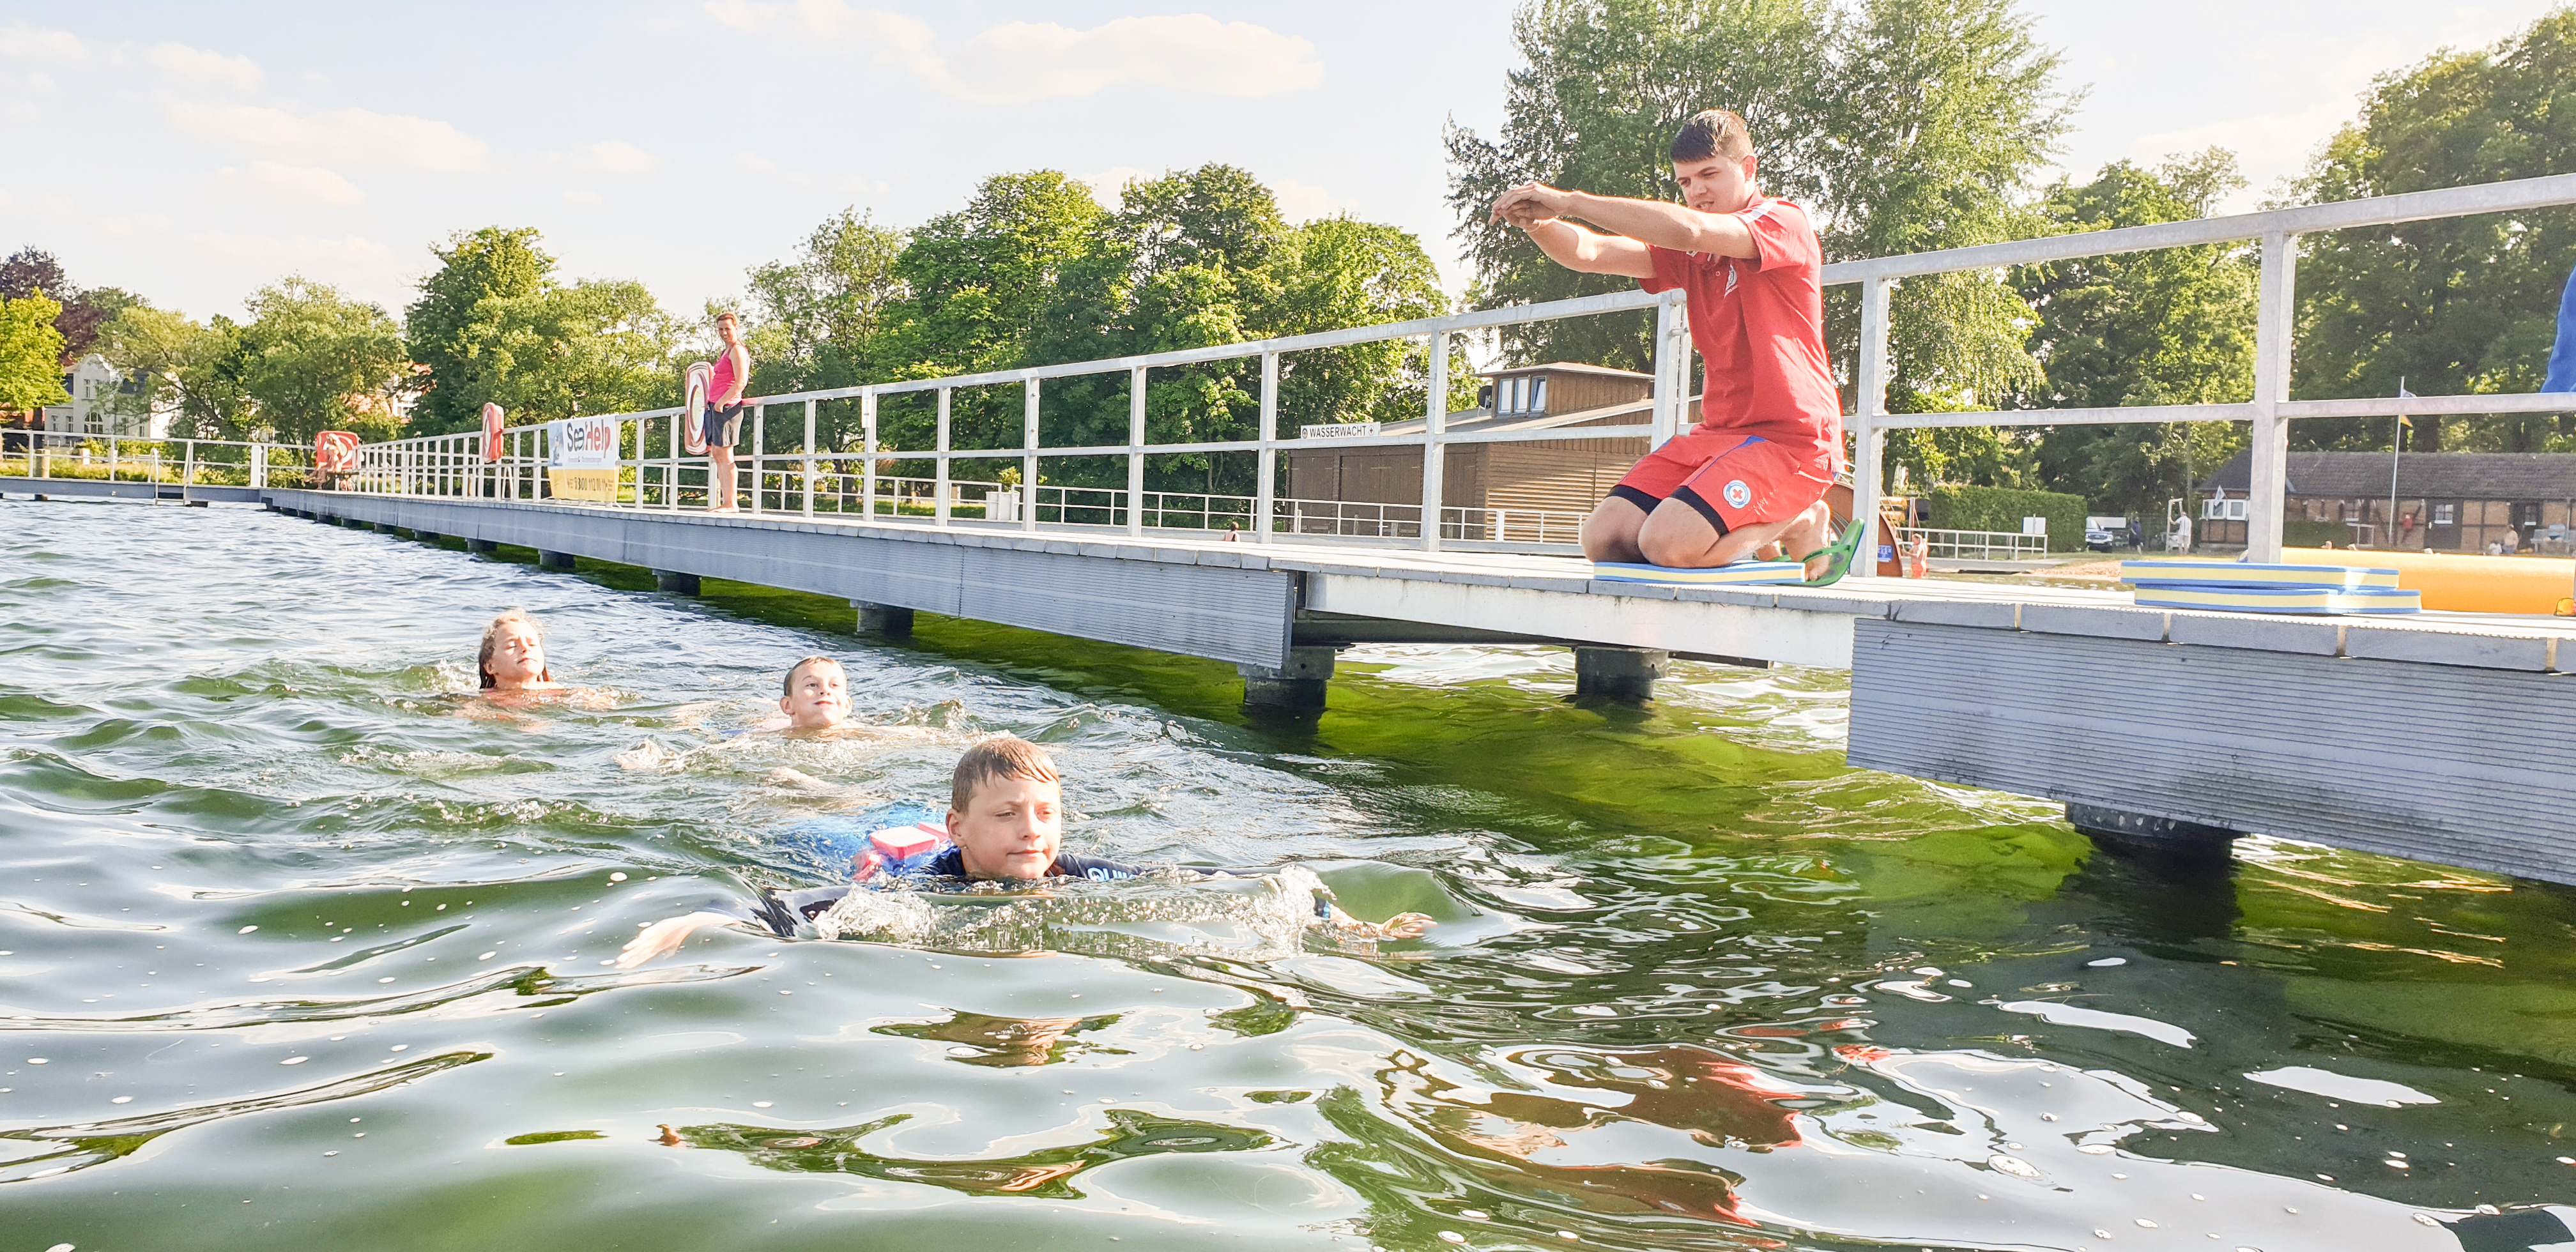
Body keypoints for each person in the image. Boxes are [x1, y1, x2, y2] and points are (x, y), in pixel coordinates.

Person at [617, 737, 1434, 966]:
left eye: (1045, 813)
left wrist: (1341, 921)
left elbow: (1226, 882)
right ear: (962, 828)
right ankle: (785, 780)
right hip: (872, 849)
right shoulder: (927, 886)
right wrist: (691, 920)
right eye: (1008, 816)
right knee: (825, 816)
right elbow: (792, 909)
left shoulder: (1072, 872)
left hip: (918, 821)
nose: (1032, 831)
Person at [1490, 109, 1839, 576]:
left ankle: (1800, 519)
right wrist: (1538, 224)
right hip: (1720, 435)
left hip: (1791, 439)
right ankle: (1756, 526)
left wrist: (1568, 200)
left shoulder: (1782, 222)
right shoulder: (1694, 253)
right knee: (1605, 540)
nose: (1697, 192)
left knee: (1667, 544)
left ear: (1749, 168)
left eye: (1709, 175)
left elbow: (1688, 228)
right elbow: (1591, 252)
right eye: (1685, 182)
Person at [705, 310, 753, 512]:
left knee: (726, 454)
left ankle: (731, 503)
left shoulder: (737, 350)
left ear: (736, 328)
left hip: (728, 407)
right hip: (716, 406)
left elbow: (741, 381)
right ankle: (726, 500)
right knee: (717, 452)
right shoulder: (725, 351)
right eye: (721, 329)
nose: (724, 333)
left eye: (727, 329)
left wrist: (721, 402)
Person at [756, 655, 853, 733]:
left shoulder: (862, 736)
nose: (825, 690)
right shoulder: (765, 735)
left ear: (847, 705)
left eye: (835, 685)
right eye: (812, 685)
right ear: (788, 705)